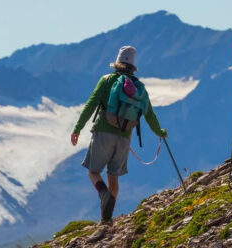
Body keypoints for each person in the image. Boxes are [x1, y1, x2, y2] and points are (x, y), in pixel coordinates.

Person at [71, 46, 167, 221]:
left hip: (103, 132)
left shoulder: (107, 80)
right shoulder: (139, 89)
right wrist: (160, 132)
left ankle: (103, 194)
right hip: (124, 138)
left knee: (93, 172)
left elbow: (91, 104)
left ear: (116, 63)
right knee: (113, 176)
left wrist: (77, 128)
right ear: (133, 67)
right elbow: (149, 115)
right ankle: (106, 219)